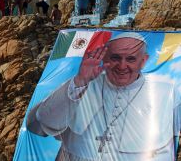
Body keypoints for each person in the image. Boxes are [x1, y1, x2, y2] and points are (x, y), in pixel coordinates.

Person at [27, 32, 181, 161]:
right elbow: (39, 125)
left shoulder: (166, 93)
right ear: (104, 58)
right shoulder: (81, 84)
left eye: (131, 59)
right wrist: (80, 81)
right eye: (115, 58)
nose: (122, 66)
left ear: (144, 61)